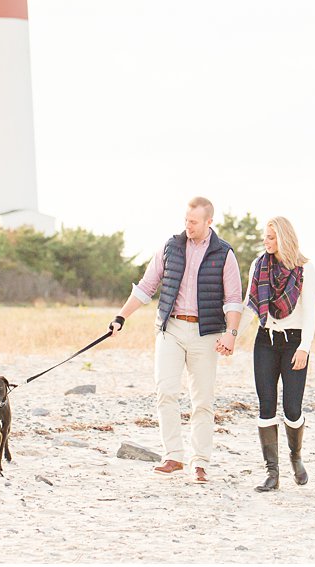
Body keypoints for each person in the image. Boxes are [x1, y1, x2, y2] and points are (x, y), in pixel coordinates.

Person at [108, 197, 242, 484]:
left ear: (209, 222)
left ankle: (200, 462)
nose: (188, 226)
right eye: (186, 220)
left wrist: (231, 335)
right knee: (166, 391)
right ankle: (173, 456)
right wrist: (121, 316)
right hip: (171, 329)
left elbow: (233, 300)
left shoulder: (224, 254)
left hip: (206, 334)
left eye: (193, 222)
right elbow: (146, 287)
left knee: (202, 400)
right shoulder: (170, 248)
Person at [244, 216, 315, 491]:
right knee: (265, 406)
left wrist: (305, 348)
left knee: (292, 410)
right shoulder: (258, 265)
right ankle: (272, 473)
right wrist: (232, 335)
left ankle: (295, 456)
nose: (266, 241)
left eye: (271, 237)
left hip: (294, 342)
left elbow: (310, 313)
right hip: (265, 339)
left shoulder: (304, 269)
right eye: (265, 236)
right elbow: (249, 306)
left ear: (284, 238)